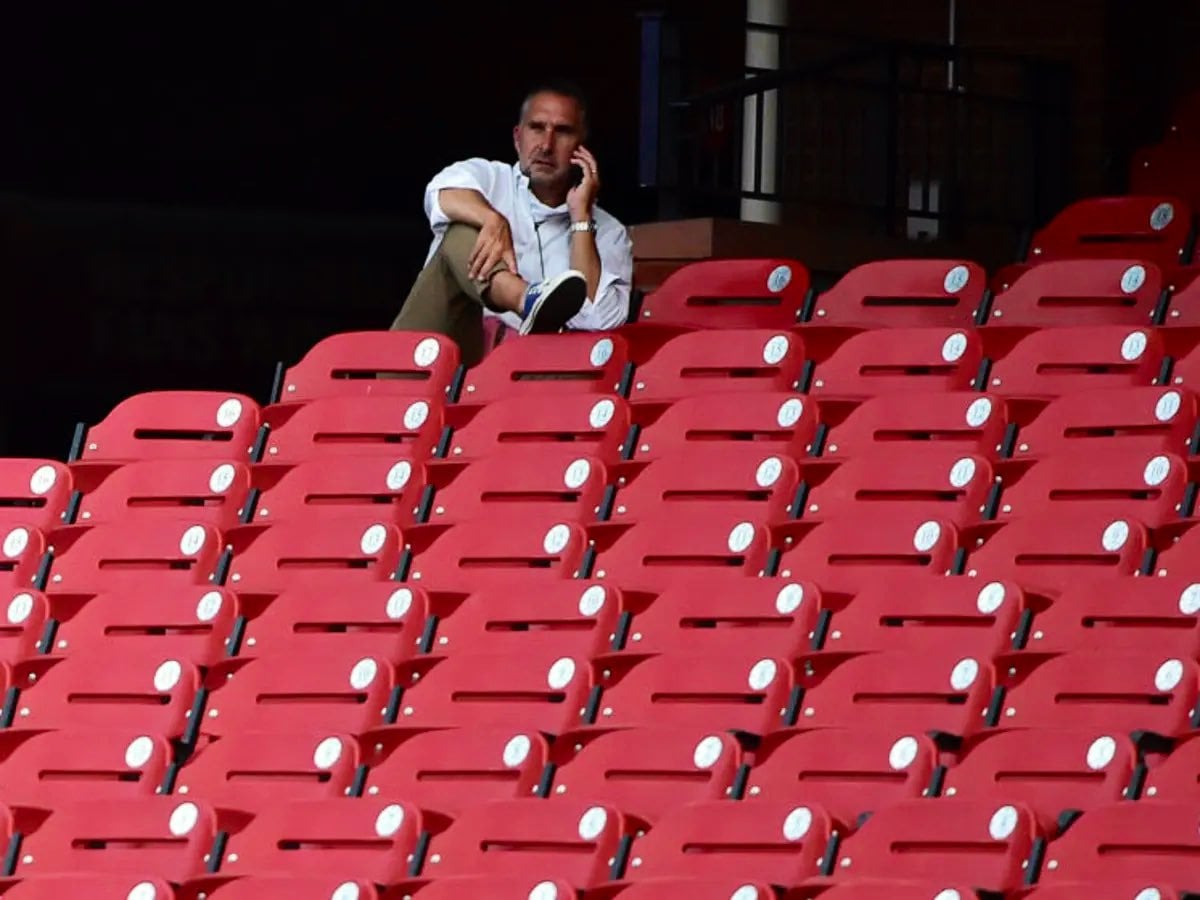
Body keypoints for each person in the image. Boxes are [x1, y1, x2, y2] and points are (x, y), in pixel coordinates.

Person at [390, 80, 633, 366]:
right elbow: (439, 196)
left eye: (563, 131)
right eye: (537, 128)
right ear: (518, 138)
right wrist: (492, 219)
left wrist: (581, 219)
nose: (546, 145)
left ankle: (526, 301)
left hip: (535, 369)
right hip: (457, 353)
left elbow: (600, 322)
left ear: (581, 148)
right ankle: (524, 298)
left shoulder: (609, 232)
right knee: (461, 229)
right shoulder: (489, 178)